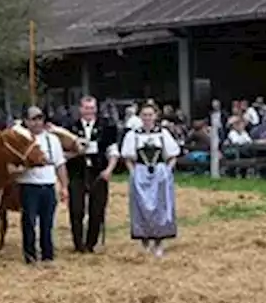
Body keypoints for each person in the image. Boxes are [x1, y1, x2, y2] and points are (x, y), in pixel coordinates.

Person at [121, 103, 181, 257]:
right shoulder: (133, 135)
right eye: (144, 115)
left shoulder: (163, 134)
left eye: (150, 115)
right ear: (140, 117)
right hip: (141, 172)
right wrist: (133, 173)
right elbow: (128, 157)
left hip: (159, 173)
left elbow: (173, 155)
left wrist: (167, 171)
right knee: (142, 207)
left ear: (156, 116)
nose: (147, 118)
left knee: (160, 207)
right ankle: (145, 241)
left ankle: (159, 242)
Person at [15, 107, 68, 264]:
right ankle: (30, 255)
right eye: (33, 119)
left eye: (40, 118)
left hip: (48, 185)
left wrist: (64, 186)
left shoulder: (52, 140)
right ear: (26, 121)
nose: (37, 122)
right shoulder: (21, 140)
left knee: (47, 223)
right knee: (29, 222)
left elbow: (60, 164)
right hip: (29, 185)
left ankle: (47, 255)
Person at [66, 96, 119, 254]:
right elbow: (63, 153)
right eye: (86, 108)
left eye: (92, 108)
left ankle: (91, 244)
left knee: (97, 210)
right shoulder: (70, 127)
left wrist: (109, 170)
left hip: (98, 172)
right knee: (76, 209)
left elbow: (113, 151)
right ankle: (78, 244)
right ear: (80, 109)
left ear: (96, 109)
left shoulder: (107, 127)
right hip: (77, 172)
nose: (89, 111)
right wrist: (76, 152)